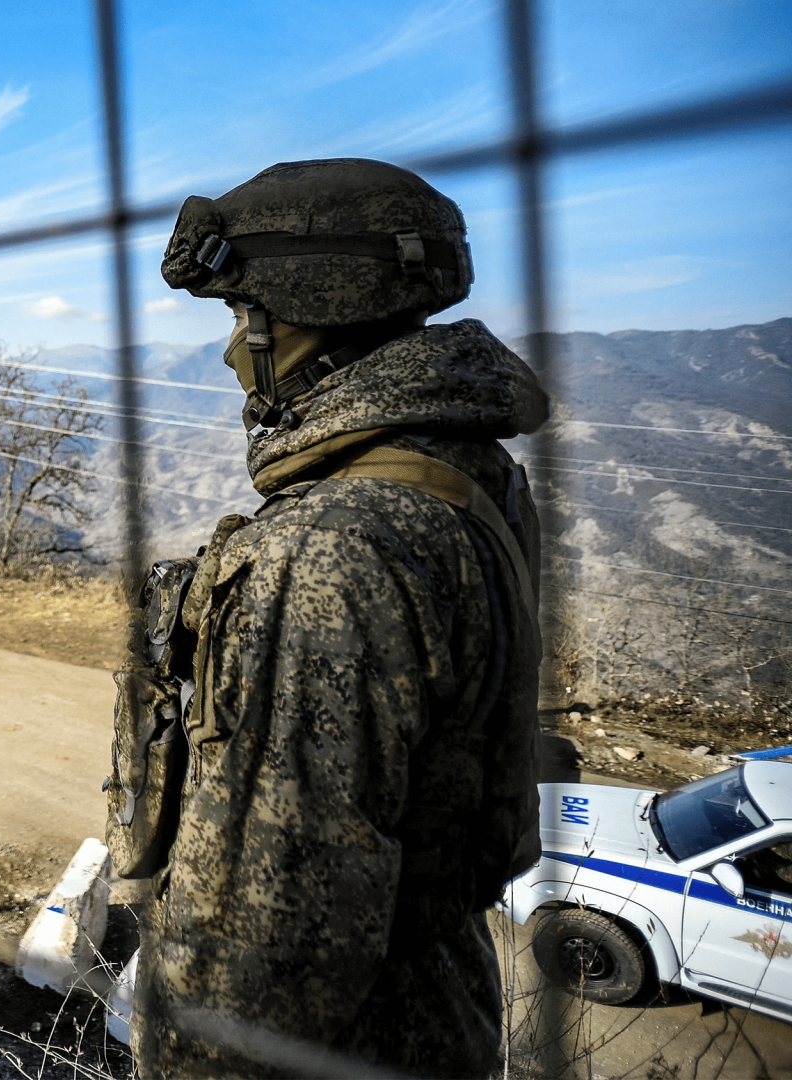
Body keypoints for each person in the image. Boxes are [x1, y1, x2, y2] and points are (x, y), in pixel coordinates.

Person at [119, 158, 545, 1079]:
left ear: (317, 310)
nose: (234, 350)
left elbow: (262, 954)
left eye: (242, 317)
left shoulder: (328, 548)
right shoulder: (472, 480)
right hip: (440, 1014)